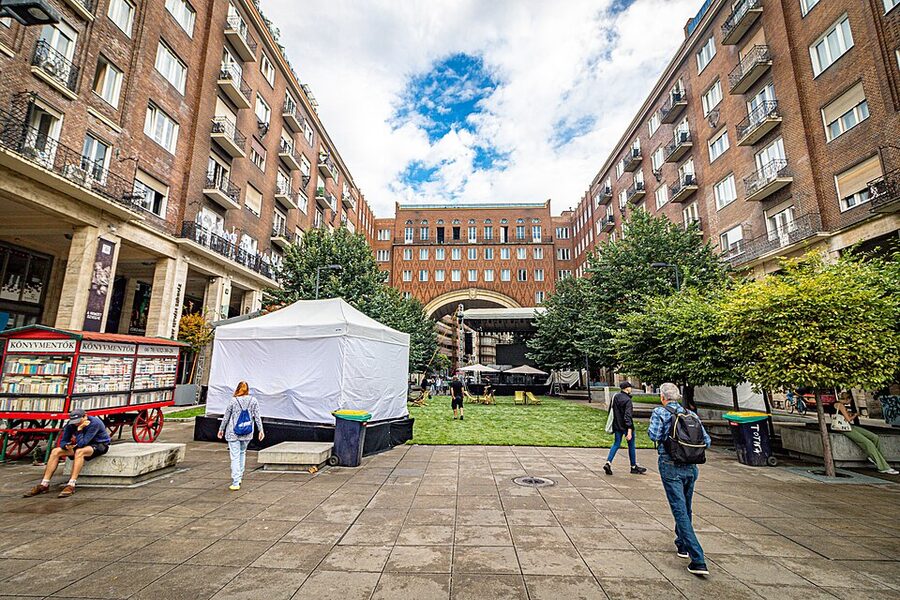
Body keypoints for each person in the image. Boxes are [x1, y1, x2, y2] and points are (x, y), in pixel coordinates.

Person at [648, 382, 711, 576]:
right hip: (691, 467)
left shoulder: (660, 412)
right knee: (686, 506)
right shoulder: (691, 415)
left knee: (679, 510)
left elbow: (654, 435)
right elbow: (706, 441)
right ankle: (682, 545)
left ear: (662, 397)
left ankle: (698, 559)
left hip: (670, 465)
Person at [24, 408, 111, 498]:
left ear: (85, 416)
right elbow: (63, 440)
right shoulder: (71, 424)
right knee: (55, 451)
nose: (76, 423)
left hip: (99, 444)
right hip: (82, 443)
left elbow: (82, 444)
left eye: (78, 421)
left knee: (79, 452)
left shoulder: (94, 423)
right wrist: (66, 446)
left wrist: (80, 429)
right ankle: (44, 484)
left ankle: (71, 484)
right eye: (74, 421)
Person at [832, 393, 897, 475]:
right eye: (849, 401)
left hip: (848, 426)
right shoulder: (840, 405)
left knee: (874, 437)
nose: (849, 403)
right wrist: (855, 415)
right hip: (844, 428)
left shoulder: (838, 404)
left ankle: (874, 458)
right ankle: (883, 467)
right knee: (868, 443)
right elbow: (848, 419)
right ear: (847, 399)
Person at [217, 381, 265, 490]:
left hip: (233, 432)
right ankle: (240, 476)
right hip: (247, 432)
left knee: (235, 456)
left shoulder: (233, 401)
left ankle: (236, 481)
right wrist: (261, 430)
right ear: (247, 389)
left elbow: (226, 417)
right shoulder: (253, 401)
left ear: (238, 389)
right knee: (242, 453)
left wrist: (221, 429)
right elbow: (257, 417)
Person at [603, 381, 646, 475]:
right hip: (626, 426)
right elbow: (628, 416)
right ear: (627, 388)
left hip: (617, 425)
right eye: (630, 387)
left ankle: (608, 462)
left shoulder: (616, 397)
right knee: (631, 445)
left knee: (616, 444)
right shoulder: (627, 400)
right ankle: (633, 466)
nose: (631, 389)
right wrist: (629, 430)